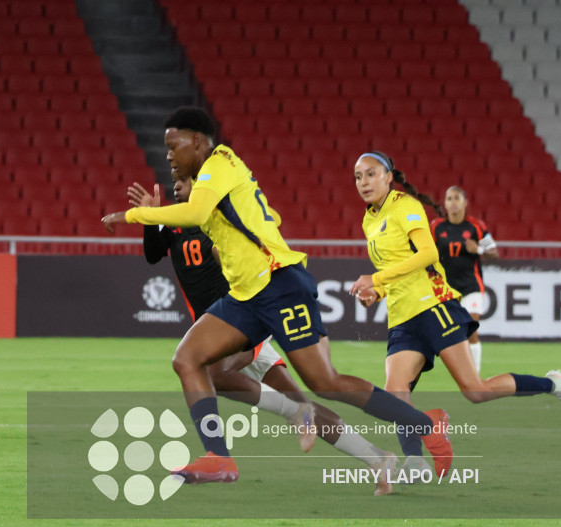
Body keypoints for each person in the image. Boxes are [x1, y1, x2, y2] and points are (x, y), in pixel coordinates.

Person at [103, 106, 452, 485]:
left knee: (324, 384)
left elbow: (196, 211)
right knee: (187, 358)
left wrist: (137, 216)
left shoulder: (220, 164)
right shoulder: (208, 177)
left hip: (279, 284)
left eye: (174, 146)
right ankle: (219, 457)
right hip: (246, 295)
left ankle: (424, 424)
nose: (168, 155)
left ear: (198, 142)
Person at [129, 178, 397, 495]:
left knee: (213, 372)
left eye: (184, 180)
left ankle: (257, 432)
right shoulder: (173, 221)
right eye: (175, 180)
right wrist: (149, 219)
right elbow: (152, 253)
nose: (177, 185)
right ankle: (378, 458)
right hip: (224, 335)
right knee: (302, 405)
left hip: (246, 324)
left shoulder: (221, 218)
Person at [349, 151, 561, 474]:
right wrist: (376, 292)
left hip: (434, 306)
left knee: (476, 390)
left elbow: (428, 253)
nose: (363, 182)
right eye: (358, 176)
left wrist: (375, 278)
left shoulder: (405, 206)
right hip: (401, 315)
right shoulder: (369, 219)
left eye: (371, 174)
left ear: (389, 176)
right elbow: (394, 268)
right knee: (396, 394)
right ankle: (415, 461)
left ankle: (554, 384)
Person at [430, 186, 497, 373]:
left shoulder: (476, 227)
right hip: (445, 290)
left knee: (470, 330)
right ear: (444, 203)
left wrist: (480, 250)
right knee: (448, 333)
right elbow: (423, 251)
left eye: (457, 198)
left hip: (471, 287)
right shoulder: (436, 227)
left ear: (465, 203)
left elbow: (494, 253)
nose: (452, 202)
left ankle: (473, 376)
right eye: (449, 198)